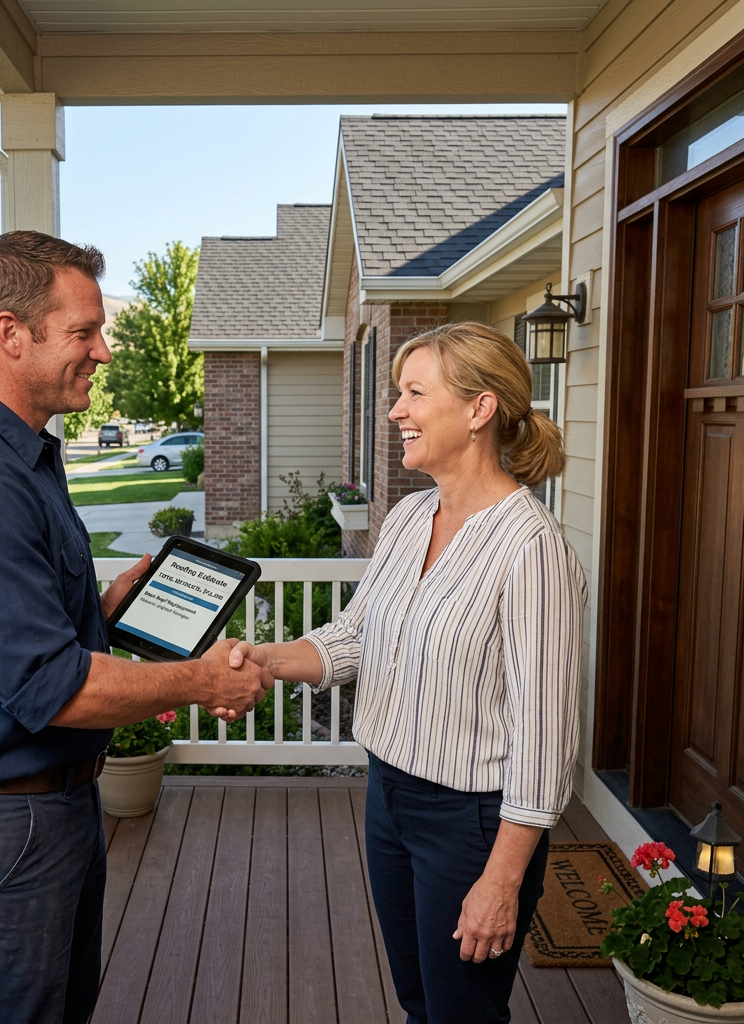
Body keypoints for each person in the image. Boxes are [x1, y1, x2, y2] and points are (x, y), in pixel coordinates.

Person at [0, 230, 272, 1024]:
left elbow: (10, 642)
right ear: (9, 334)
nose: (102, 351)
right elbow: (48, 686)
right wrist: (204, 680)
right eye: (84, 332)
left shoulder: (20, 453)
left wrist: (101, 613)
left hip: (43, 814)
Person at [224, 322, 587, 1023]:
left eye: (415, 393)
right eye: (397, 393)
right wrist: (262, 660)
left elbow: (545, 743)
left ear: (479, 409)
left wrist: (502, 880)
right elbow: (355, 638)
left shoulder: (530, 549)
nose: (395, 412)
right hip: (389, 794)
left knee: (463, 1012)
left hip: (472, 821)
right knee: (420, 1000)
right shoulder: (410, 516)